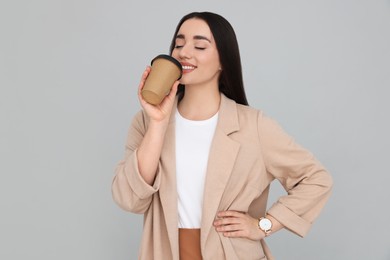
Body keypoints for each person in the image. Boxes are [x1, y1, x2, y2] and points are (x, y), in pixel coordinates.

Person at [112, 11, 333, 260]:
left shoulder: (254, 126)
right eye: (179, 43)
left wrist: (264, 225)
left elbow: (316, 179)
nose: (184, 52)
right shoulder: (146, 122)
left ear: (222, 61)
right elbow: (129, 200)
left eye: (199, 45)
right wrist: (157, 122)